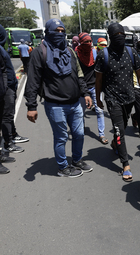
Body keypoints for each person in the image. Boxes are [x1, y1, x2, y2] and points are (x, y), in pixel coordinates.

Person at [25, 19, 93, 178]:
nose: (60, 34)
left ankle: (77, 160)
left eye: (63, 31)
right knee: (61, 137)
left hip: (75, 103)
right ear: (48, 32)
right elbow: (33, 81)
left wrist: (86, 93)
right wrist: (31, 106)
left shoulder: (69, 51)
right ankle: (63, 166)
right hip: (55, 105)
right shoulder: (39, 52)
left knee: (79, 134)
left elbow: (79, 75)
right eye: (57, 31)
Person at [95, 22, 140, 182]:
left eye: (121, 35)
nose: (119, 38)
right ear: (110, 37)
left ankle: (115, 143)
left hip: (129, 98)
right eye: (116, 35)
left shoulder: (131, 52)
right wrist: (98, 97)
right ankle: (125, 165)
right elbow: (99, 79)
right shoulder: (104, 54)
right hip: (112, 98)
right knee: (119, 130)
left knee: (122, 126)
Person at [0, 24, 29, 154]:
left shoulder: (1, 50)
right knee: (7, 116)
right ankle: (8, 142)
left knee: (9, 115)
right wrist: (6, 88)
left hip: (10, 87)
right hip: (6, 89)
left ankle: (12, 134)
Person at [76, 32, 107, 144]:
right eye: (86, 42)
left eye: (90, 41)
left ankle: (102, 134)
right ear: (81, 43)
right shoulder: (76, 54)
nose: (89, 44)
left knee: (99, 110)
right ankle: (80, 131)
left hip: (94, 87)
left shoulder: (94, 53)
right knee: (80, 112)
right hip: (81, 88)